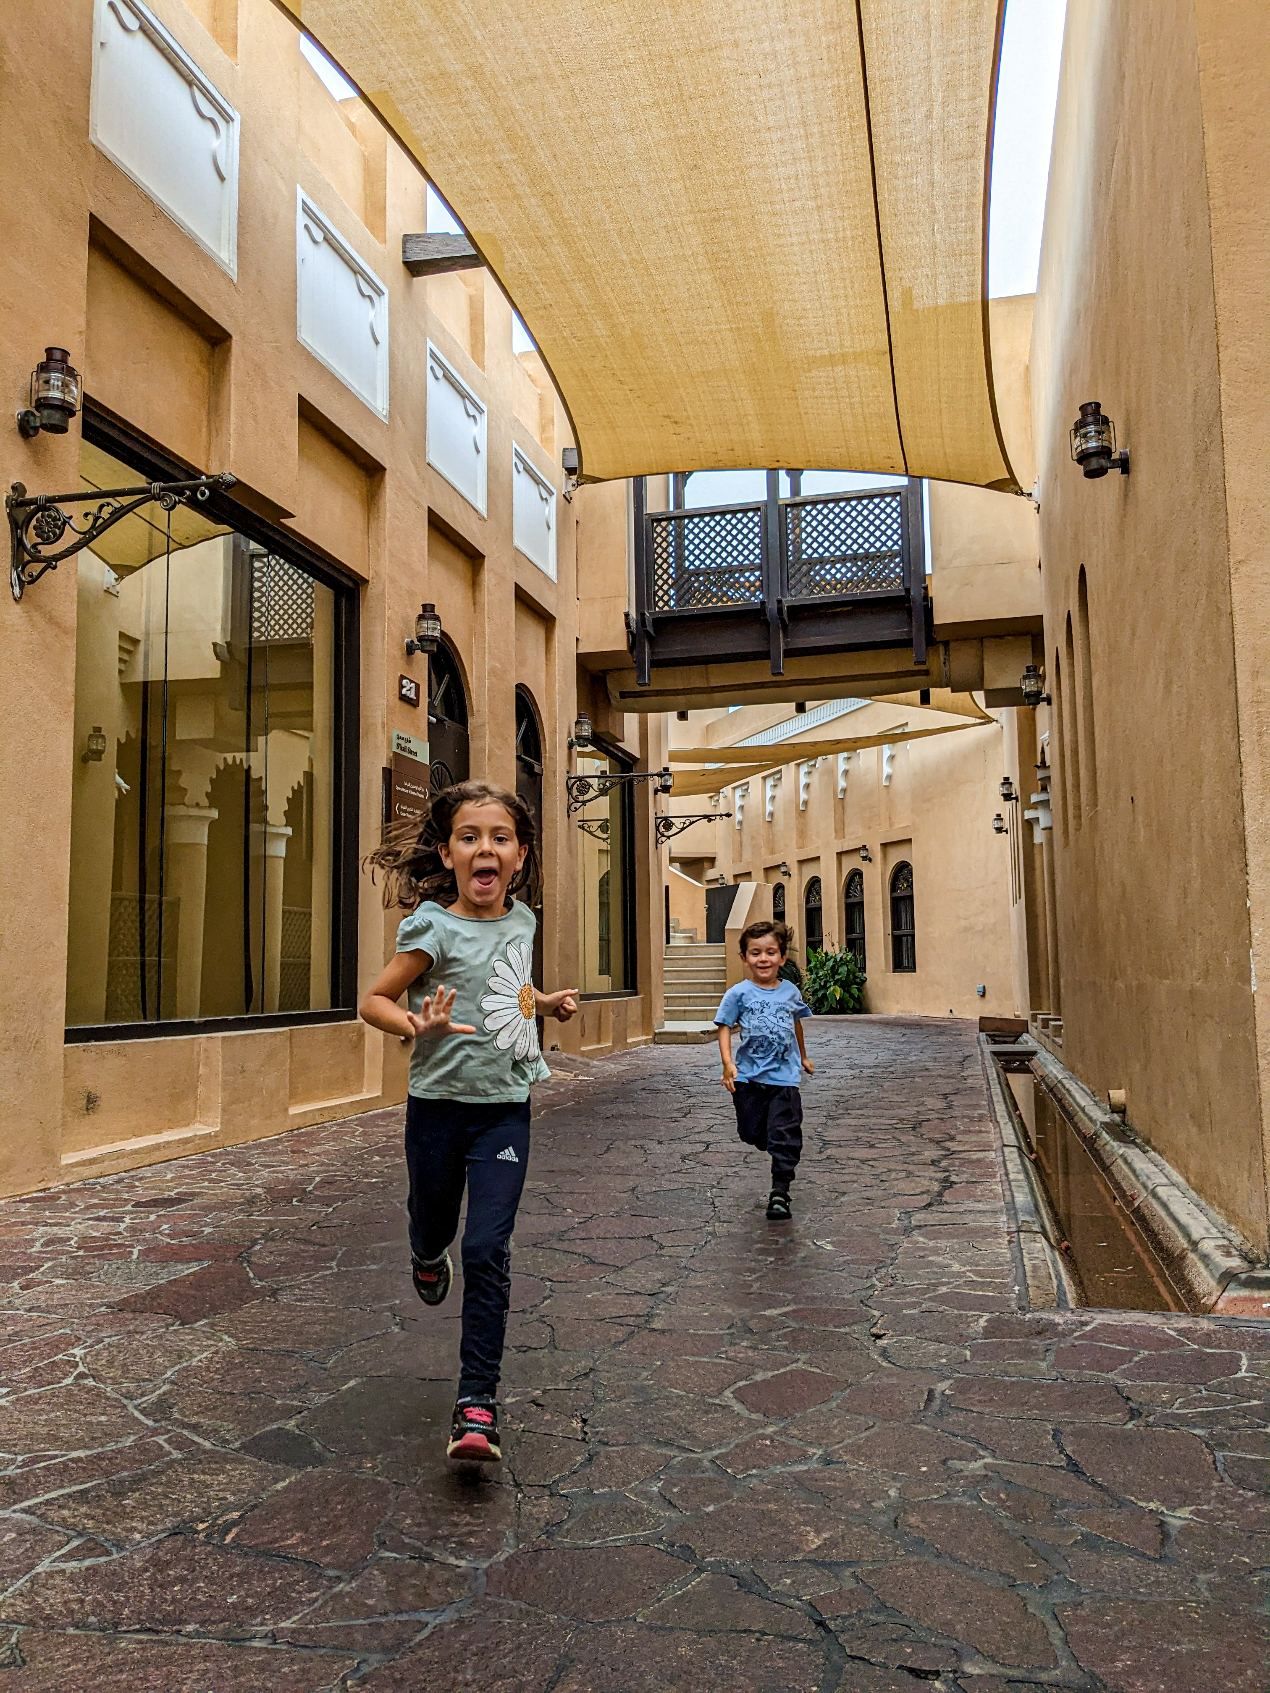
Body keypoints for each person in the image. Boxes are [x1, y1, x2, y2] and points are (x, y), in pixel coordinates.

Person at [360, 780, 578, 1463]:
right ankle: (427, 1252)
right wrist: (414, 1025)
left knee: (486, 1248)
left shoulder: (523, 920)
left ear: (519, 856)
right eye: (469, 837)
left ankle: (476, 1403)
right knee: (434, 1222)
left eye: (500, 837)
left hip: (504, 1110)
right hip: (437, 1108)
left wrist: (544, 1002)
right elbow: (374, 1000)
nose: (486, 848)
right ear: (448, 854)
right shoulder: (432, 927)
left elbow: (507, 987)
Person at [714, 919, 814, 1220]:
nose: (763, 959)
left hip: (785, 1078)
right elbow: (724, 1026)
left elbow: (795, 1023)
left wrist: (804, 1057)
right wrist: (728, 1064)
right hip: (748, 1077)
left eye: (771, 952)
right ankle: (767, 1138)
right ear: (744, 958)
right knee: (750, 1132)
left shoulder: (790, 992)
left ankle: (780, 1192)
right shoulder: (738, 994)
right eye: (755, 952)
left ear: (782, 958)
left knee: (786, 1135)